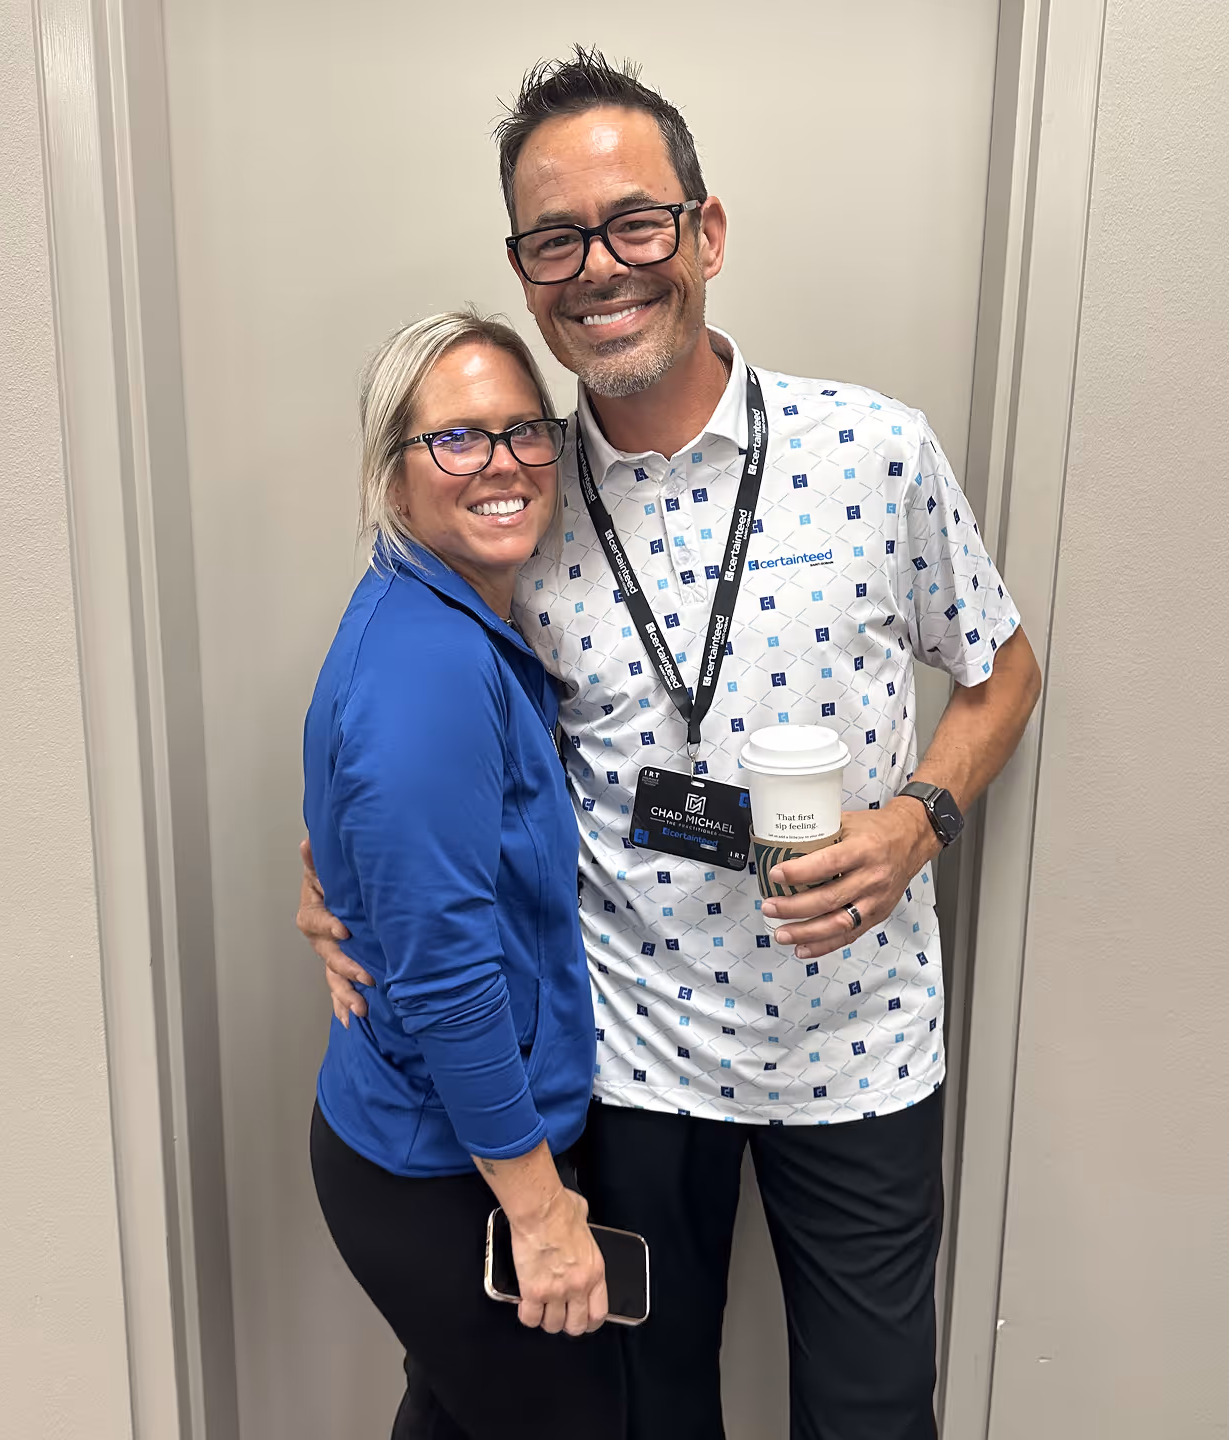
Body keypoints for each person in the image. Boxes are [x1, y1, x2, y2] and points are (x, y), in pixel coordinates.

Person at [298, 50, 1043, 1440]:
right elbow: (426, 746)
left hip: (860, 1047)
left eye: (635, 223)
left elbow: (1004, 673)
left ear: (704, 231)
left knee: (874, 1417)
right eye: (555, 238)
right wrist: (327, 872)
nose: (601, 267)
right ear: (525, 271)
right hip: (632, 1067)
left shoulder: (874, 451)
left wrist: (918, 820)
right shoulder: (512, 491)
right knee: (650, 1419)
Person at [301, 307, 623, 1440]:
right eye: (457, 438)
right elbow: (445, 978)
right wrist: (539, 1217)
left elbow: (406, 858)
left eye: (524, 430)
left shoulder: (446, 621)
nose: (501, 462)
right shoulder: (428, 669)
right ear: (395, 479)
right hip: (446, 1170)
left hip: (447, 1151)